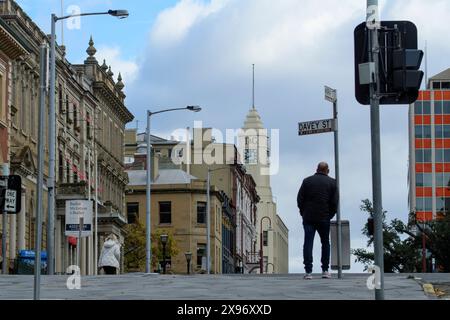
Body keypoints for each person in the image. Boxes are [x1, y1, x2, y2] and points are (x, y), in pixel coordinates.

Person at [297, 162, 338, 280]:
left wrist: (303, 212)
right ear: (328, 170)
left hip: (308, 217)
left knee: (308, 242)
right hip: (324, 217)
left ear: (316, 169)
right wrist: (330, 215)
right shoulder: (332, 182)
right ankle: (325, 270)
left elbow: (300, 199)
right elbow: (334, 202)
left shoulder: (307, 181)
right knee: (325, 243)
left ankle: (308, 271)